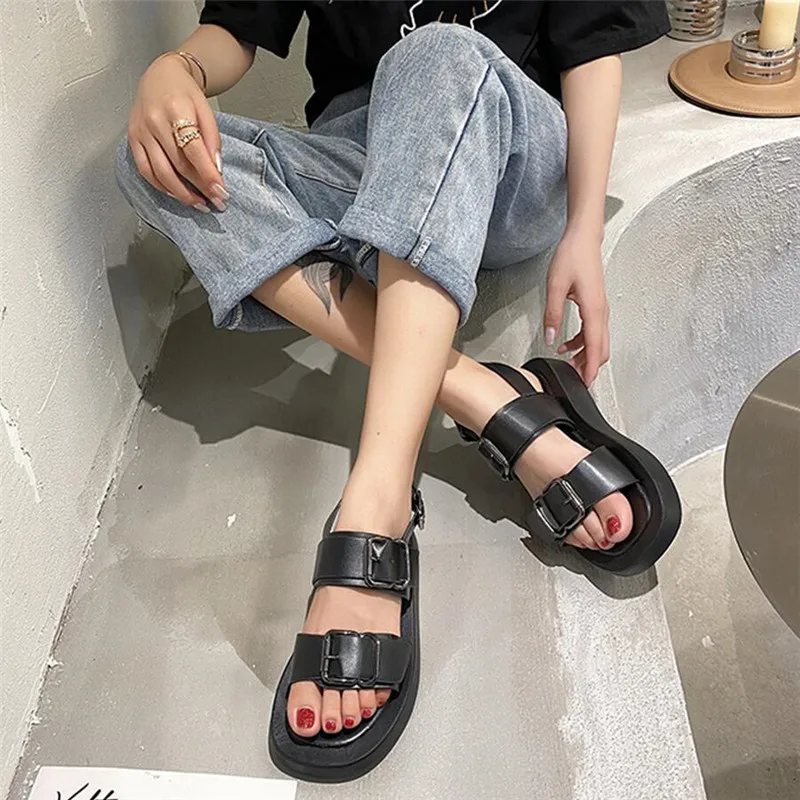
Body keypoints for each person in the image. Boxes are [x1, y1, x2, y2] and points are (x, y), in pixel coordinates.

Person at [115, 0, 680, 782]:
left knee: (440, 53)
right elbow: (237, 32)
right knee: (146, 162)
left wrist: (584, 226)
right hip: (369, 157)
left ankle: (375, 501)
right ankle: (486, 396)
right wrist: (173, 70)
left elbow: (592, 49)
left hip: (510, 153)